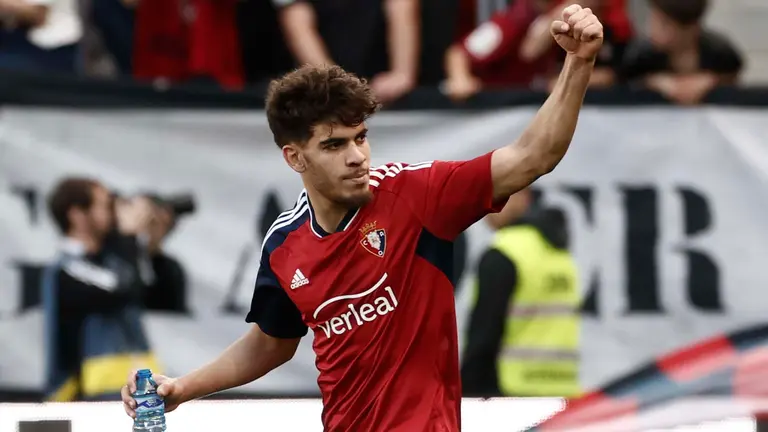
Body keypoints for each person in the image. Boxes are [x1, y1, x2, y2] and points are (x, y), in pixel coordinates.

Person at [121, 5, 603, 430]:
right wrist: (183, 387)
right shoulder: (284, 244)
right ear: (294, 157)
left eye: (361, 137)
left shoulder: (417, 194)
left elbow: (531, 157)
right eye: (334, 145)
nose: (356, 156)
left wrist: (578, 63)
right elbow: (270, 343)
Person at [43, 177, 161, 401]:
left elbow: (144, 288)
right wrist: (128, 236)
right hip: (82, 399)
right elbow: (120, 289)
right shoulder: (68, 268)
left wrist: (149, 237)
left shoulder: (110, 260)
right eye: (105, 206)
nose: (112, 213)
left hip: (129, 395)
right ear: (77, 215)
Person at [461, 189, 581, 398]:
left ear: (524, 194)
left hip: (509, 391)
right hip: (561, 390)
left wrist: (467, 391)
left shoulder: (505, 253)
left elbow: (484, 333)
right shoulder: (557, 250)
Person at [619, 0, 743, 105]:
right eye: (652, 19)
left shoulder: (719, 53)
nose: (653, 29)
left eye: (664, 24)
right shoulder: (642, 56)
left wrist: (711, 81)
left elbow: (732, 81)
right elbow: (625, 85)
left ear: (692, 28)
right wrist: (654, 82)